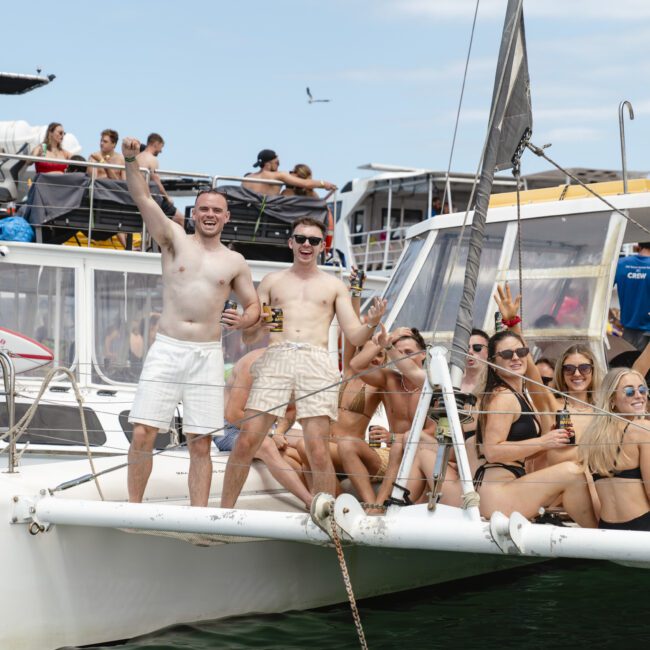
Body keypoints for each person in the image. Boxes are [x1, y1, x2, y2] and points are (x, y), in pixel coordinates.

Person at [122, 136, 260, 507]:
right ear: (194, 213)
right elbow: (142, 198)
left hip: (206, 354)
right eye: (204, 209)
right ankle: (133, 507)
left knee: (201, 441)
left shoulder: (235, 261)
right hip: (167, 349)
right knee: (143, 432)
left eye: (217, 210)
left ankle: (199, 515)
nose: (210, 215)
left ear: (226, 217)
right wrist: (131, 159)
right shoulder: (173, 240)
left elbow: (254, 307)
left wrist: (242, 319)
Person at [220, 216, 387, 508]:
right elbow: (252, 335)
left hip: (316, 358)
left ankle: (326, 517)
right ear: (291, 243)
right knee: (247, 441)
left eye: (312, 240)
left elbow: (354, 332)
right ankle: (221, 515)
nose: (306, 244)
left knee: (318, 449)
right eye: (300, 239)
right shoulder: (273, 282)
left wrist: (371, 323)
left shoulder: (334, 286)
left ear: (322, 246)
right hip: (278, 354)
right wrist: (247, 324)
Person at [472, 329, 596, 527]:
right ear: (494, 363)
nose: (516, 358)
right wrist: (543, 441)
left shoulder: (517, 395)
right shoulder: (503, 397)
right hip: (498, 495)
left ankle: (594, 534)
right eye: (506, 354)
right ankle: (597, 537)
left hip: (508, 486)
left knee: (578, 473)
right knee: (573, 472)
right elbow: (492, 451)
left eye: (521, 352)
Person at [340, 324, 437, 511]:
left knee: (397, 447)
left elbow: (432, 432)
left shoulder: (432, 384)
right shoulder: (389, 379)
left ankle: (380, 505)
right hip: (390, 454)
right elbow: (356, 365)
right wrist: (385, 341)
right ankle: (371, 502)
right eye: (397, 352)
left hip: (419, 454)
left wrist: (393, 438)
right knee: (346, 444)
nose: (401, 357)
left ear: (423, 354)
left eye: (408, 352)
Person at [217, 347, 312, 507]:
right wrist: (268, 434)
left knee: (310, 440)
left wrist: (279, 432)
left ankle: (329, 495)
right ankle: (310, 502)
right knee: (266, 445)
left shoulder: (293, 367)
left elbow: (290, 410)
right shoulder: (251, 365)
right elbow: (233, 414)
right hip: (227, 428)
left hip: (266, 426)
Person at [579, 368, 650, 530]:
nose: (639, 395)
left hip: (608, 528)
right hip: (643, 526)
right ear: (612, 400)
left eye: (642, 389)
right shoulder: (643, 429)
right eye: (630, 391)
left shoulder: (592, 437)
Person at [136, 133, 184, 226]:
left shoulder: (137, 157)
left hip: (138, 198)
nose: (161, 151)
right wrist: (167, 197)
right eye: (161, 147)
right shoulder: (152, 159)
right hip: (151, 200)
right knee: (181, 219)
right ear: (156, 144)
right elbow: (156, 182)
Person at [242, 149, 337, 196]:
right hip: (268, 218)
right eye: (277, 163)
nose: (278, 165)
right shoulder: (278, 176)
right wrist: (324, 184)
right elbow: (306, 183)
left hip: (247, 217)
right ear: (268, 164)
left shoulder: (246, 179)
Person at [615, 242, 650, 350]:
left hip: (627, 329)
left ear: (638, 246)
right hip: (648, 329)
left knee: (628, 364)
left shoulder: (621, 264)